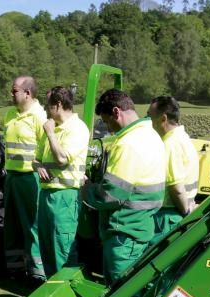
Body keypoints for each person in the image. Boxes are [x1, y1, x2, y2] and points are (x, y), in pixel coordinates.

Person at [81, 89, 166, 285]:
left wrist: (86, 189)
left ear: (117, 112)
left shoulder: (127, 144)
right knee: (133, 287)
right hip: (140, 227)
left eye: (107, 120)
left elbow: (110, 194)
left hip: (123, 231)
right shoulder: (151, 135)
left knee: (120, 294)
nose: (108, 127)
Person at [35, 86, 89, 278]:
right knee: (47, 246)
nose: (44, 109)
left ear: (58, 105)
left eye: (47, 105)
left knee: (62, 248)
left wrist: (50, 134)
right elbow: (37, 158)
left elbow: (62, 159)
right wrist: (37, 166)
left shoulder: (77, 129)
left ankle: (65, 294)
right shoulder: (52, 127)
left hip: (65, 196)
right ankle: (51, 292)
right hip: (47, 194)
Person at [2, 76, 47, 280]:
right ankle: (15, 268)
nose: (11, 94)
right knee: (11, 224)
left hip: (30, 178)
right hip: (11, 176)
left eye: (14, 91)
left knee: (32, 226)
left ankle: (37, 273)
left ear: (27, 93)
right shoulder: (10, 115)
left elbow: (45, 150)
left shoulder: (40, 116)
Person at [148, 96, 199, 244]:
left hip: (169, 215)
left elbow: (175, 187)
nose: (148, 121)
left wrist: (186, 212)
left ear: (163, 118)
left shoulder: (170, 144)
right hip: (181, 208)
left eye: (150, 116)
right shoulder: (182, 137)